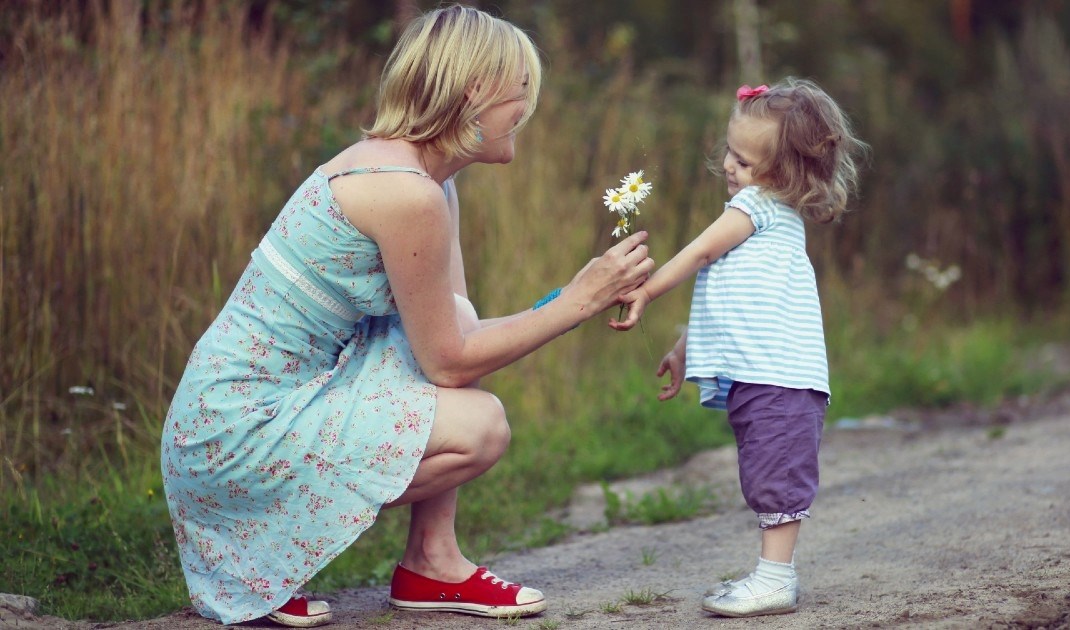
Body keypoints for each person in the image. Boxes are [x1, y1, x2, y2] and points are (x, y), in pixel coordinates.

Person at [160, 5, 653, 627]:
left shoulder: (426, 179)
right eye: (521, 92)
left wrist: (581, 295)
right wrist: (577, 300)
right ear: (474, 91)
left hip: (262, 410)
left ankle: (432, 561)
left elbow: (459, 336)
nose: (527, 109)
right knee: (481, 427)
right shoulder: (406, 192)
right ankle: (264, 561)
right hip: (231, 434)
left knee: (456, 317)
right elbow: (451, 363)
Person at [609, 78, 866, 617]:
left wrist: (647, 290)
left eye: (746, 162)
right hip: (766, 375)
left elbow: (701, 253)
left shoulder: (759, 206)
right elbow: (726, 295)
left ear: (781, 175)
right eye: (731, 151)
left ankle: (776, 578)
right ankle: (772, 575)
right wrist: (685, 346)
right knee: (765, 470)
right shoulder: (764, 216)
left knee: (775, 475)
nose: (730, 166)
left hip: (781, 377)